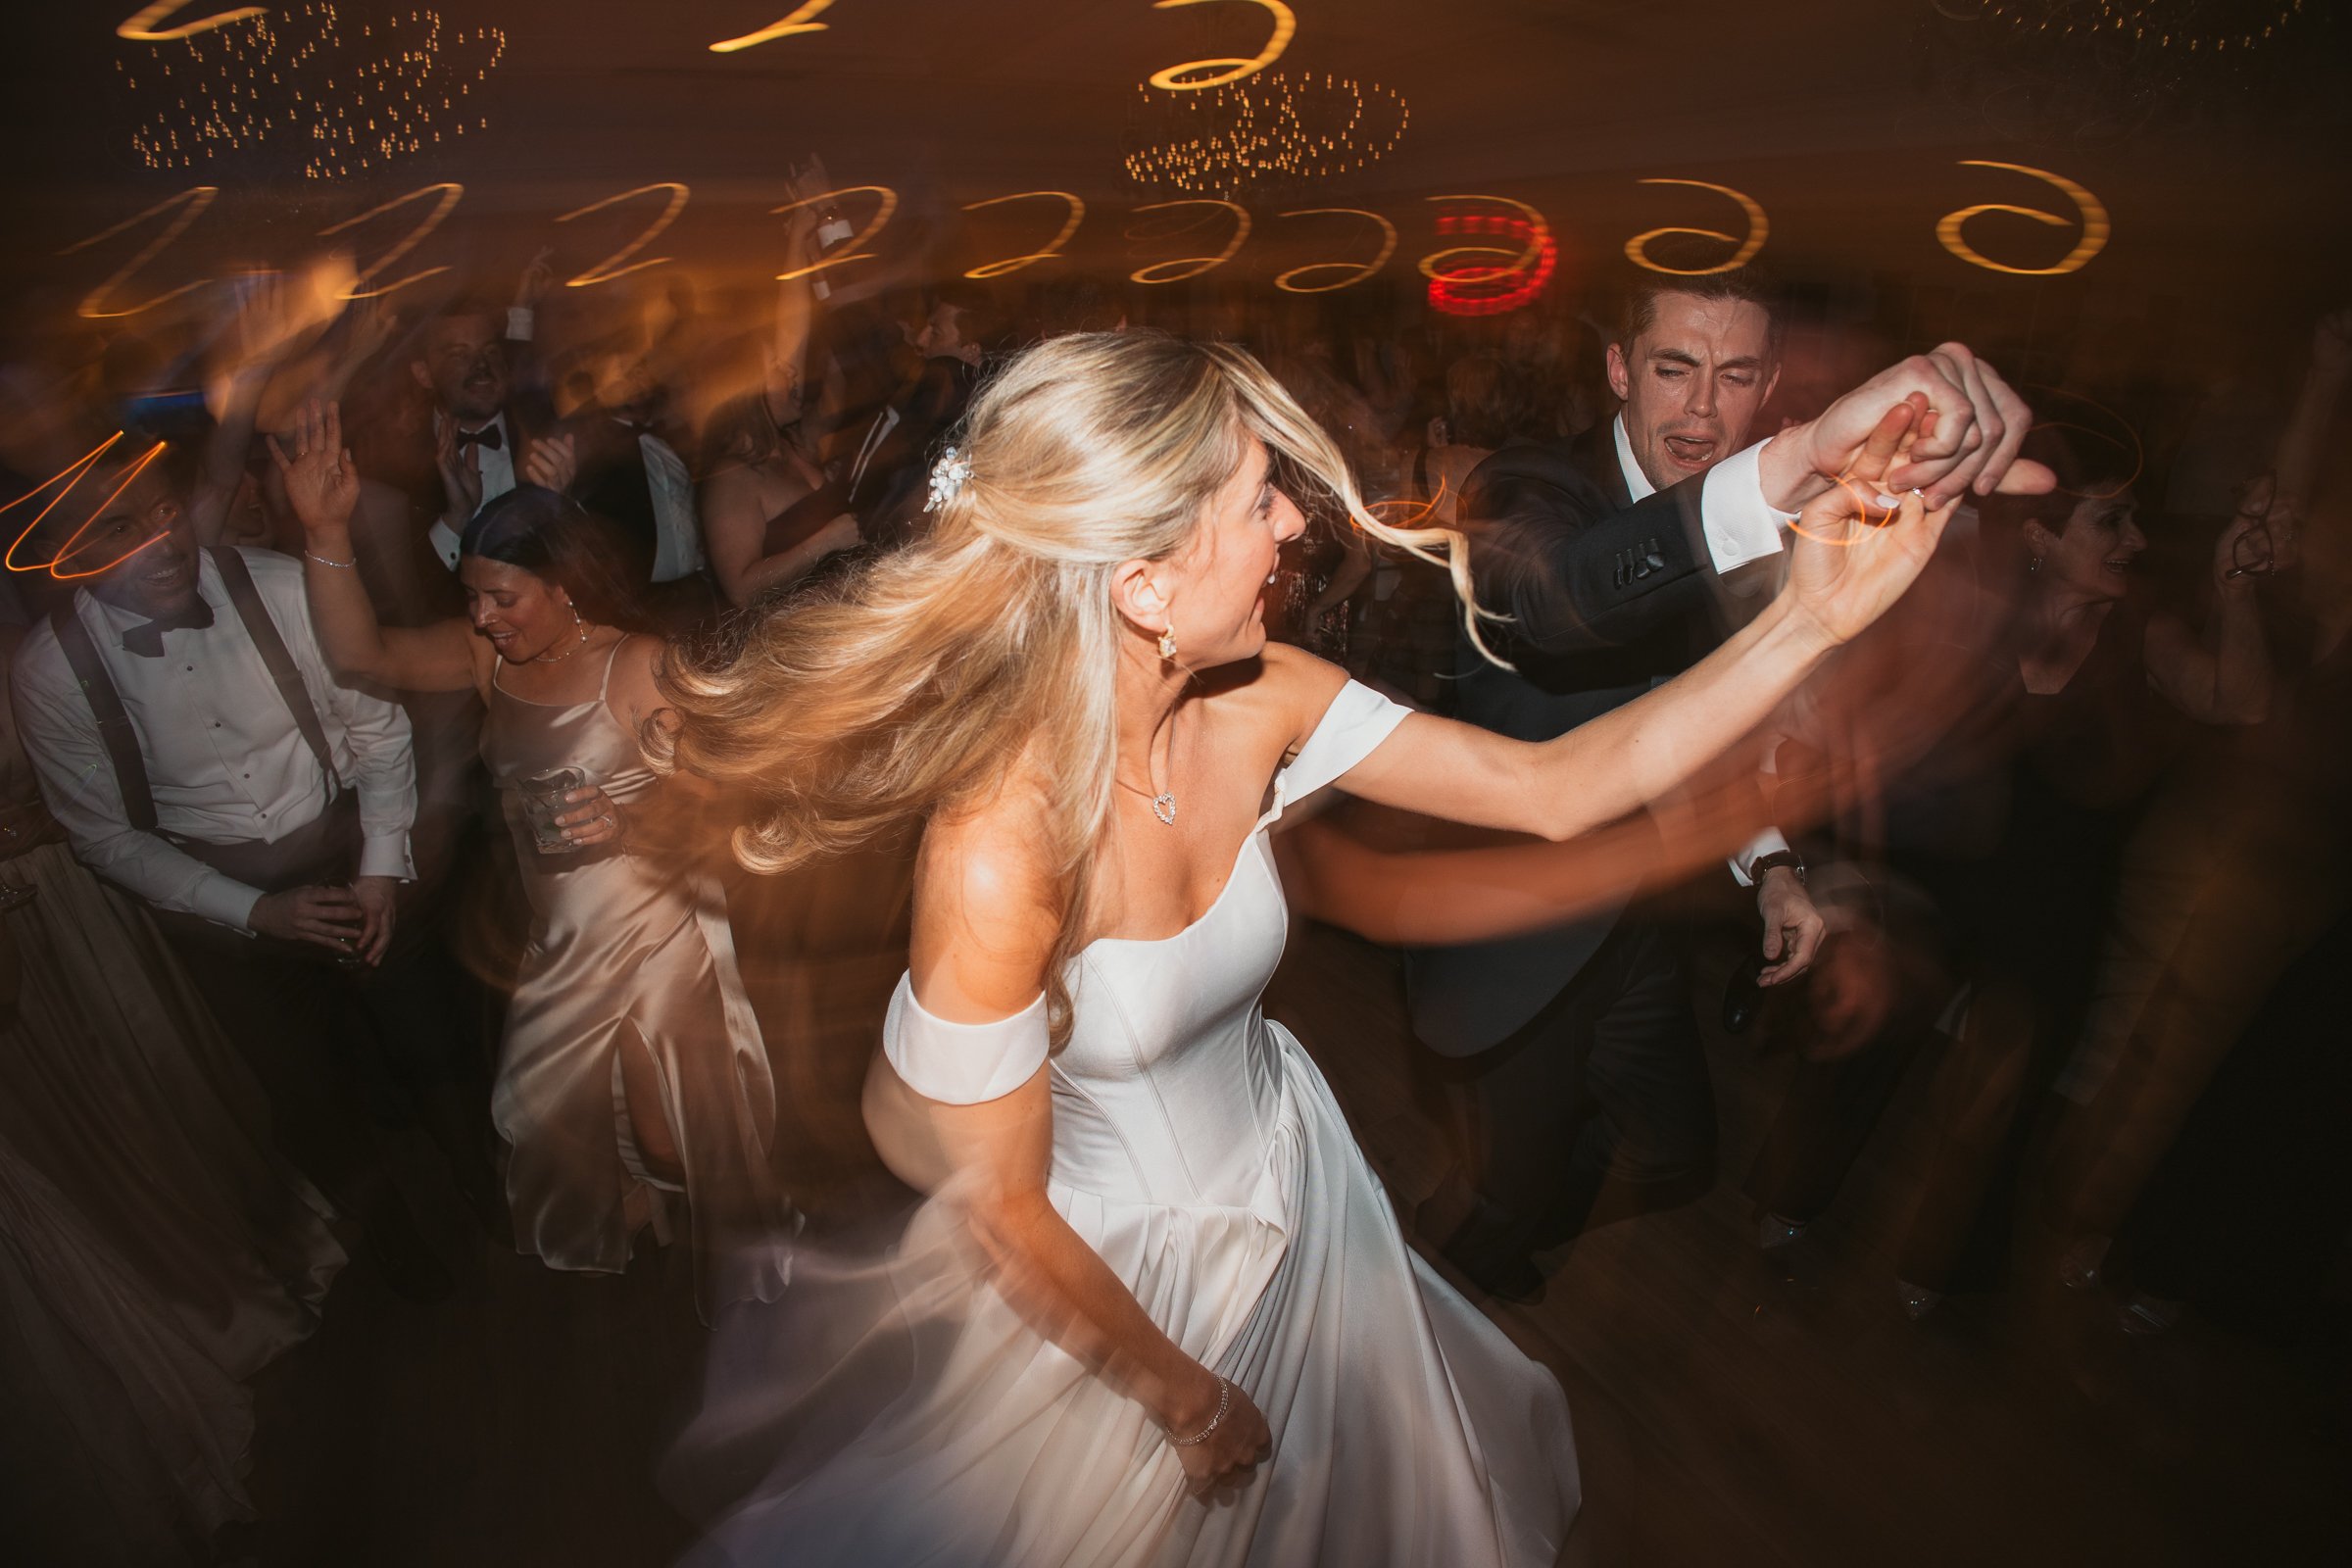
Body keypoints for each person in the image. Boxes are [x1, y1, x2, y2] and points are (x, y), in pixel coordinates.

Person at [650, 328, 2021, 1565]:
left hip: (1298, 1189)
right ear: (1143, 584)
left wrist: (1814, 618)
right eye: (1258, 500)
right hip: (1115, 1276)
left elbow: (1556, 788)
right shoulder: (1002, 849)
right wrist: (1183, 1397)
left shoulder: (1263, 696)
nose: (1295, 524)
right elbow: (1001, 1206)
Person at [269, 407, 793, 1316]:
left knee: (667, 1137)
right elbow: (362, 655)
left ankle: (705, 1238)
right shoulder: (491, 661)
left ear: (564, 587)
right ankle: (648, 1243)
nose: (482, 615)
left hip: (655, 933)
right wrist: (324, 533)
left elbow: (726, 808)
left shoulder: (638, 667)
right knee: (557, 1117)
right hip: (560, 937)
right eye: (472, 595)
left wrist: (627, 824)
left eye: (502, 597)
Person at [1402, 274, 1852, 1298]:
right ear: (1619, 369)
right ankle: (1440, 1290)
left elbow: (1711, 716)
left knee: (1677, 1149)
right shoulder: (1529, 486)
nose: (1701, 410)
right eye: (1674, 369)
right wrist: (1770, 483)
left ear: (1769, 386)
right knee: (1499, 1200)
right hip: (1518, 920)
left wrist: (1772, 865)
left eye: (1734, 376)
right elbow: (1563, 599)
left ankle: (1499, 1234)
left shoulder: (1750, 527)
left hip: (1639, 923)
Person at [8, 450, 471, 1299]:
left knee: (434, 1047)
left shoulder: (284, 585)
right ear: (62, 550)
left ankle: (495, 1205)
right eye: (120, 527)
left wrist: (378, 871)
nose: (163, 541)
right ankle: (400, 1271)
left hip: (347, 846)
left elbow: (377, 732)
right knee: (311, 1105)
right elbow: (105, 839)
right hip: (223, 910)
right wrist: (256, 912)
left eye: (165, 511)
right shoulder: (50, 673)